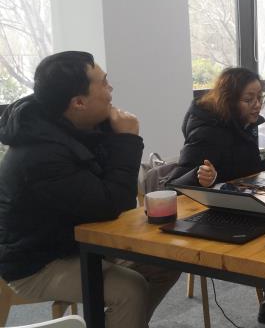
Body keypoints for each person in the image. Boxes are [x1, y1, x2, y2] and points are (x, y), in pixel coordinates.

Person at [0, 51, 179, 328]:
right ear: (79, 102)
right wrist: (127, 140)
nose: (111, 90)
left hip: (75, 244)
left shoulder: (75, 126)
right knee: (129, 290)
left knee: (165, 262)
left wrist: (114, 135)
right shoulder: (40, 154)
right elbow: (111, 203)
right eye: (104, 83)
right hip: (36, 263)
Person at [167, 67, 265, 325]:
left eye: (260, 97)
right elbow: (173, 185)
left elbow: (242, 167)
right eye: (249, 99)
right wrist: (201, 177)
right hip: (210, 212)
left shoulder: (244, 123)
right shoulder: (207, 131)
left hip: (238, 199)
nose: (257, 105)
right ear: (229, 101)